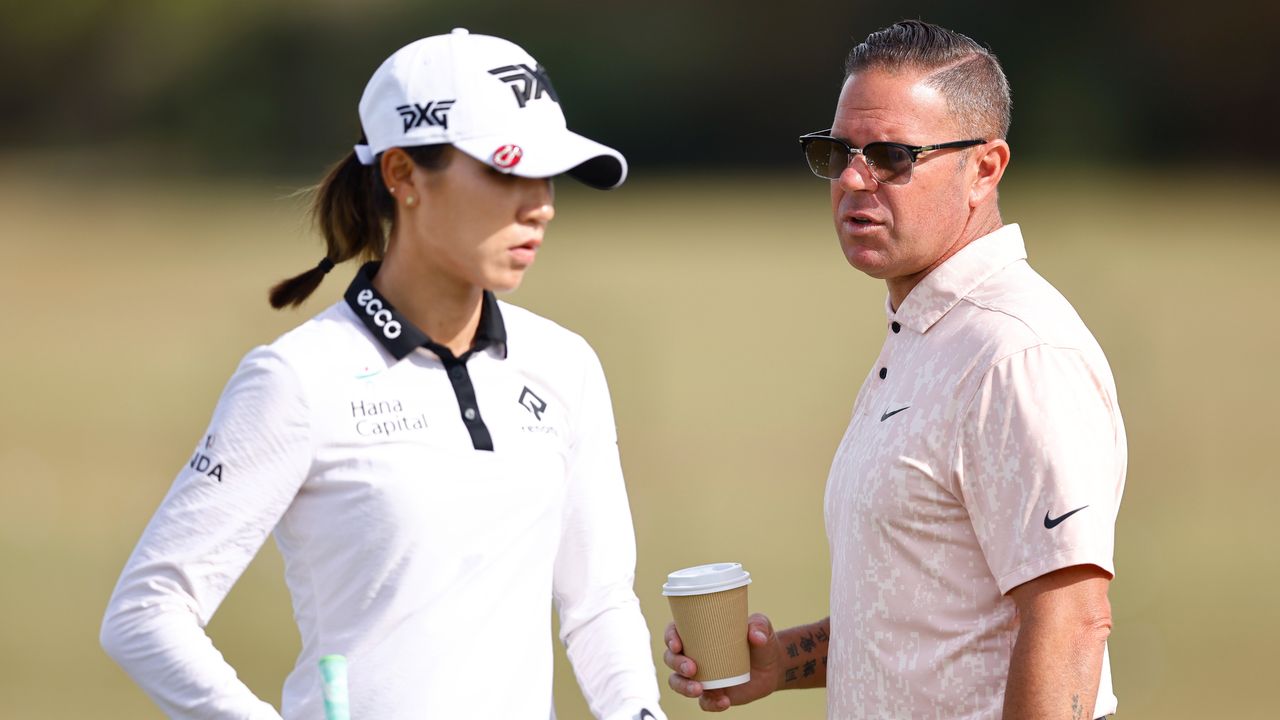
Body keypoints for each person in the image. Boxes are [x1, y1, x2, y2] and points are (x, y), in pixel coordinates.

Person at [100, 28, 666, 720]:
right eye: (505, 171)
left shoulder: (564, 365)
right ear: (401, 174)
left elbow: (598, 600)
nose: (540, 204)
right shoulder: (297, 379)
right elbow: (147, 611)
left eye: (547, 176)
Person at [664, 20, 1126, 720]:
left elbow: (1072, 617)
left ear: (985, 167)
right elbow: (922, 612)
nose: (853, 178)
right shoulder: (926, 333)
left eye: (891, 155)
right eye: (838, 152)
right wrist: (779, 663)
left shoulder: (1017, 353)